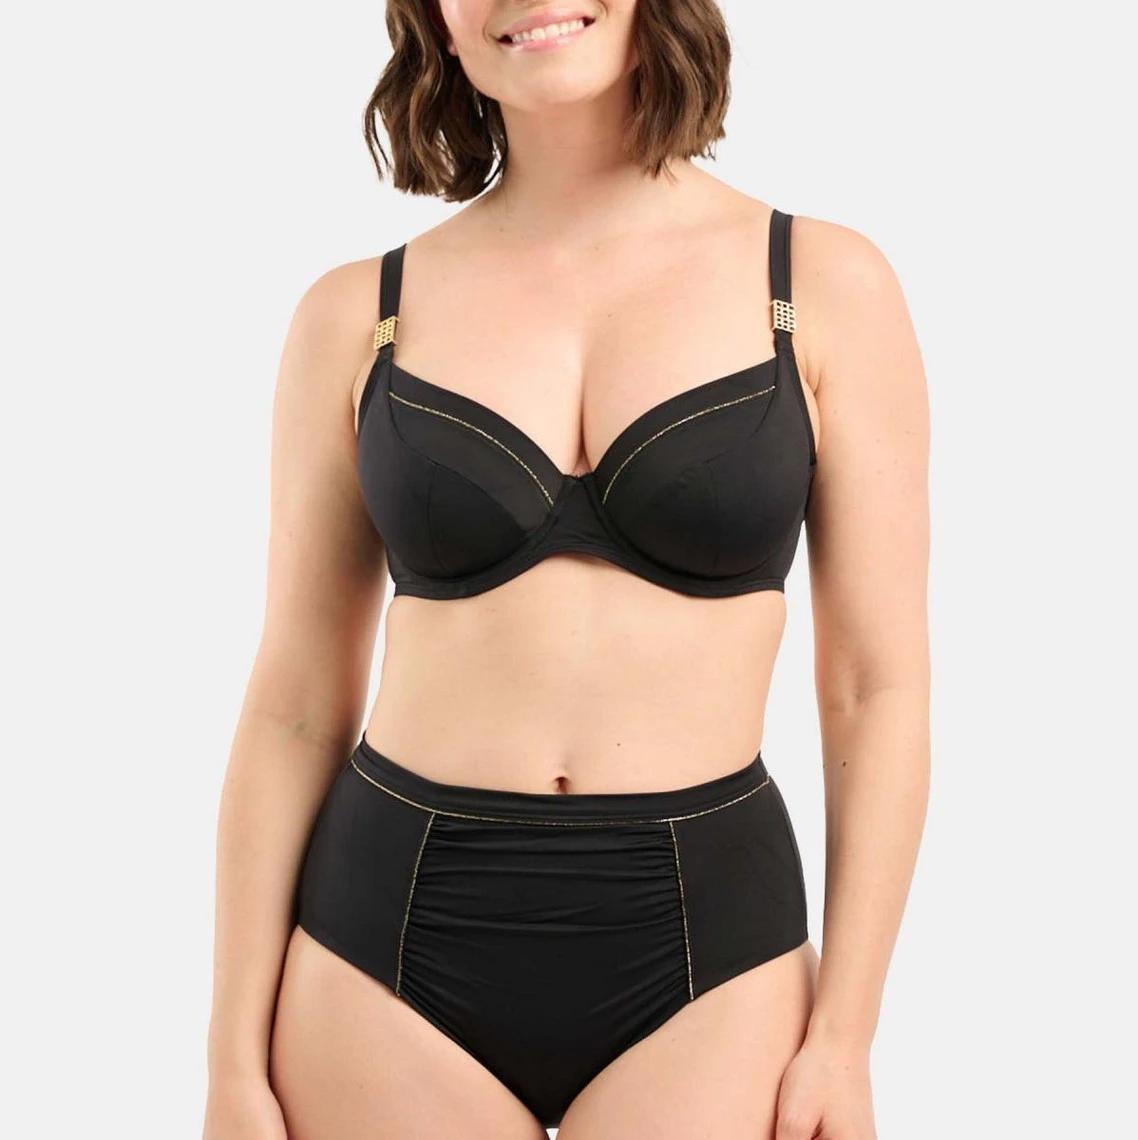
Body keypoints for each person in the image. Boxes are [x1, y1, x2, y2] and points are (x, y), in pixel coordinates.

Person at [203, 1, 930, 1137]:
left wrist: (847, 1036)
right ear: (437, 23)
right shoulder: (356, 313)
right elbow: (294, 707)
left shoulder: (822, 284)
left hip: (712, 948)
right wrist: (228, 1064)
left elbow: (873, 690)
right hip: (382, 946)